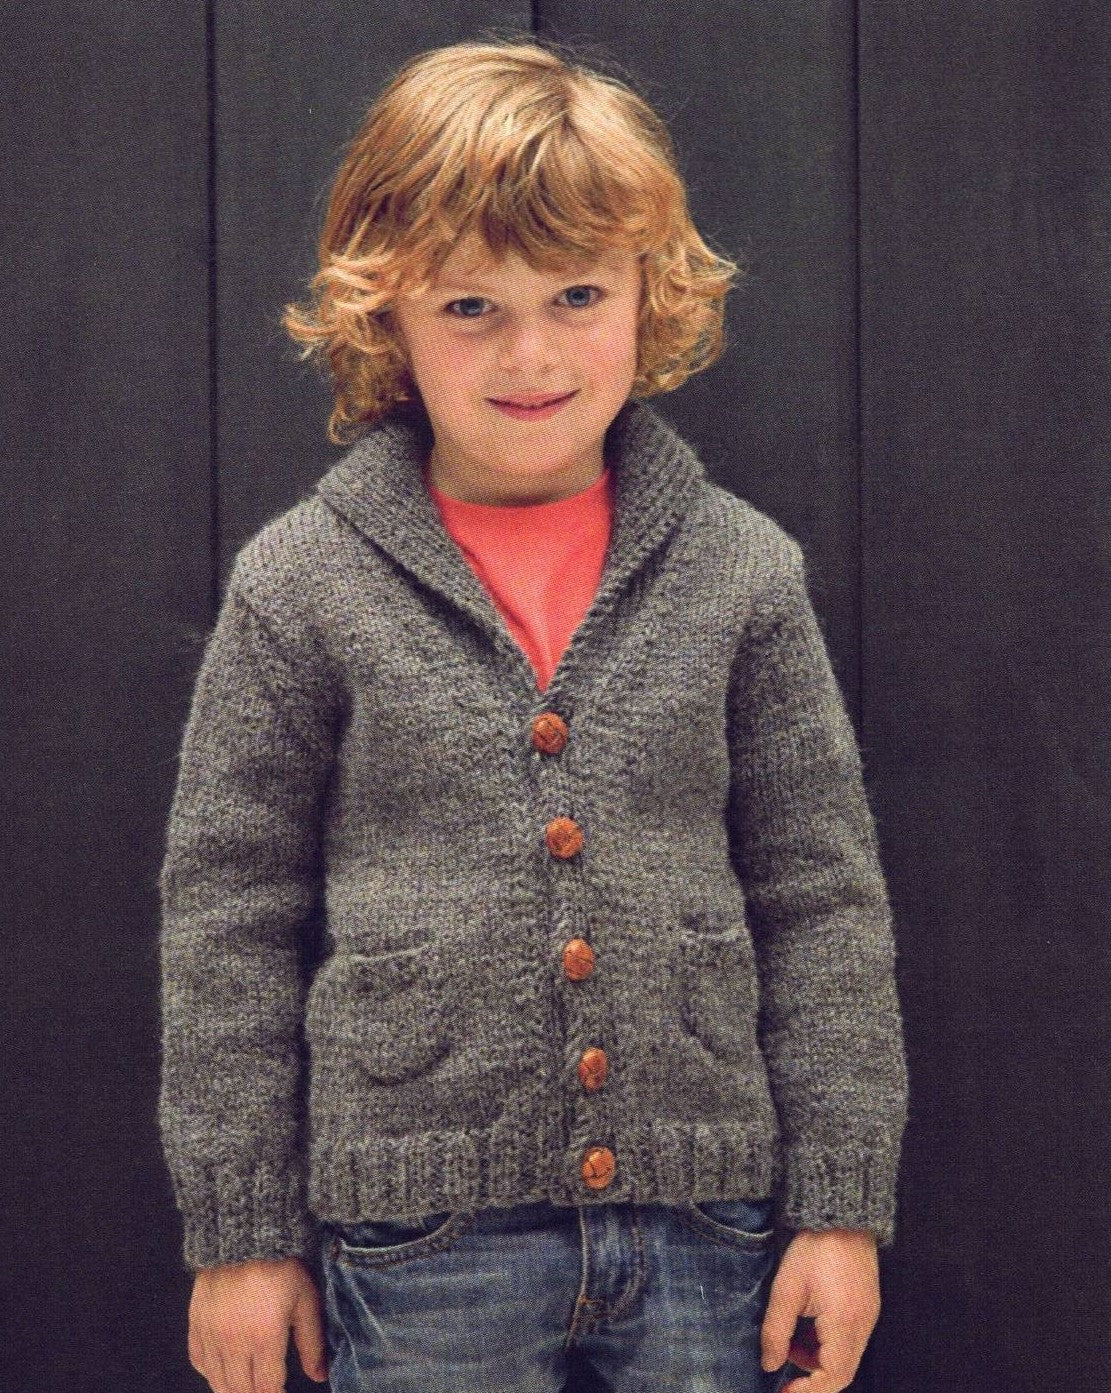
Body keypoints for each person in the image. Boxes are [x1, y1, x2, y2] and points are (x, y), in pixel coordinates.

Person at [158, 34, 909, 1393]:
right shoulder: (301, 586)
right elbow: (229, 918)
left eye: (576, 294)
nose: (531, 353)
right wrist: (242, 1236)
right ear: (384, 313)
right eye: (470, 306)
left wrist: (841, 1206)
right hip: (421, 1241)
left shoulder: (740, 573)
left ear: (648, 293)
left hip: (709, 1229)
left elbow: (822, 900)